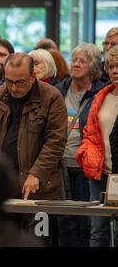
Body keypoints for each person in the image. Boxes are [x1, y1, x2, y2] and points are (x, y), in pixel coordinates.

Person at [0, 53, 67, 201]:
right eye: (9, 81)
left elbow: (56, 142)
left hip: (39, 184)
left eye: (20, 82)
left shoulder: (51, 97)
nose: (13, 88)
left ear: (33, 77)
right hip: (2, 183)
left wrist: (37, 173)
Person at [56, 43, 105, 247]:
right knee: (64, 220)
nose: (75, 64)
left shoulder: (100, 93)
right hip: (60, 164)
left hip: (85, 165)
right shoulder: (59, 90)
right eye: (74, 59)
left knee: (86, 220)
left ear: (93, 67)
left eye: (81, 61)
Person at [77, 46, 118, 247]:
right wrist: (87, 153)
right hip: (100, 172)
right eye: (112, 67)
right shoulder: (101, 96)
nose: (115, 71)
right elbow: (89, 131)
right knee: (98, 229)